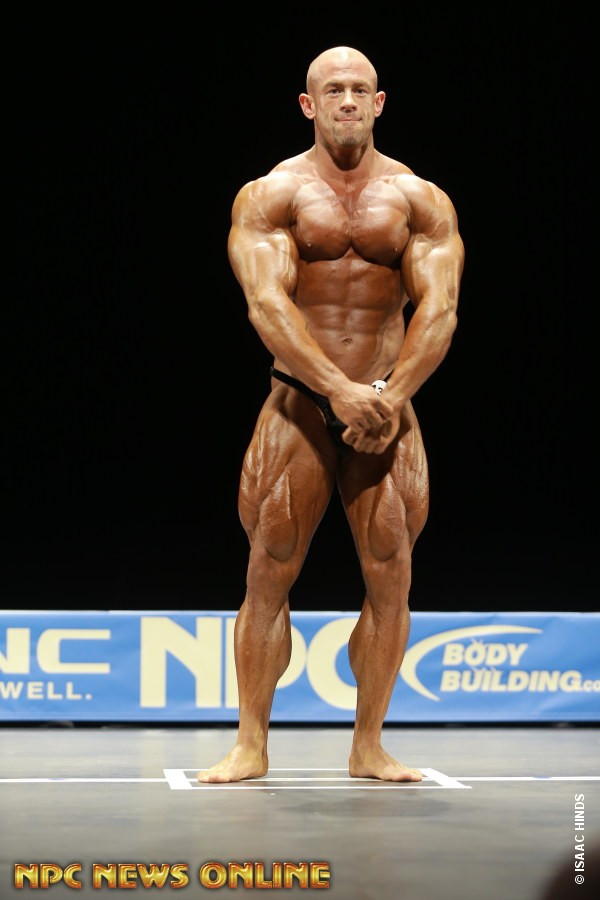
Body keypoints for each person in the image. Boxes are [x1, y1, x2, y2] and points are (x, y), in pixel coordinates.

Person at [198, 46, 464, 784]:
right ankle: (250, 743)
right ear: (308, 105)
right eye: (333, 89)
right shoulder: (272, 195)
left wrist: (391, 396)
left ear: (379, 104)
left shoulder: (420, 201)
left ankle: (368, 745)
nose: (347, 100)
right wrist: (336, 391)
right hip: (300, 403)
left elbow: (440, 310)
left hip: (387, 403)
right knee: (268, 568)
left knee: (391, 572)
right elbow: (266, 305)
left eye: (359, 89)